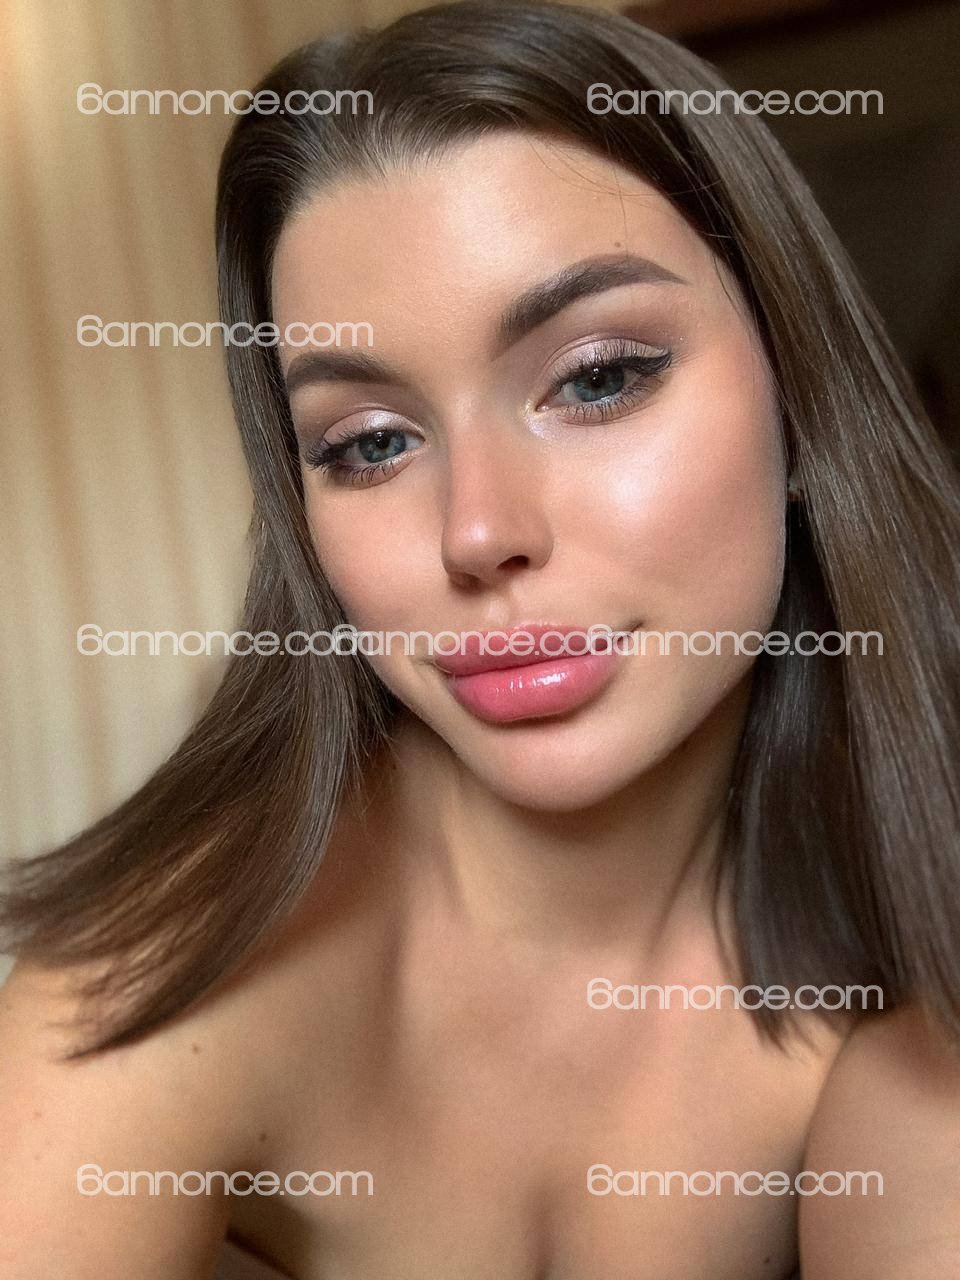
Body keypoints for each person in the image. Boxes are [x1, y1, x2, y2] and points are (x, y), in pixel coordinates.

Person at [2, 3, 958, 1277]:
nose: (477, 531)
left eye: (599, 375)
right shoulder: (167, 981)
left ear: (799, 391)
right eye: (371, 443)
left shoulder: (910, 977)